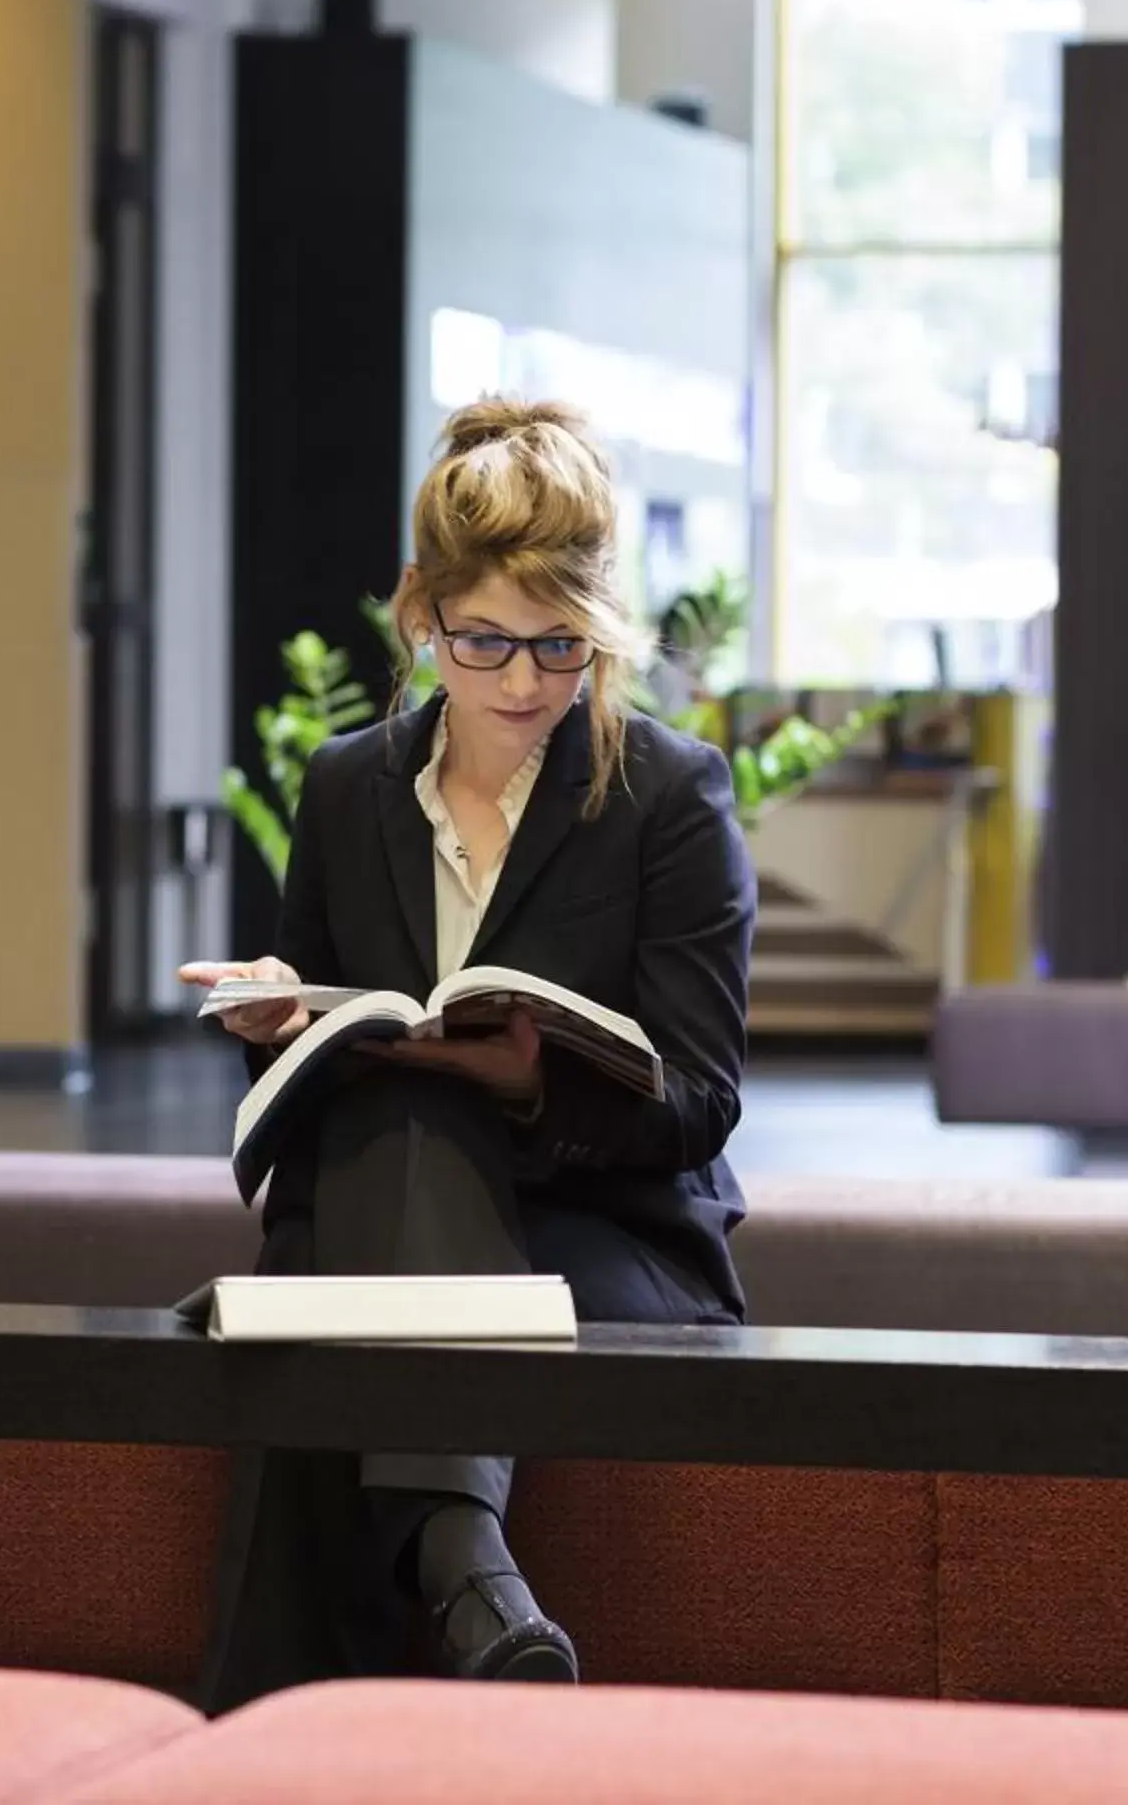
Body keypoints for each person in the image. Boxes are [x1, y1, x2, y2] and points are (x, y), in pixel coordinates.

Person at [176, 398, 754, 1708]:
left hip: (604, 1230)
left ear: (601, 629)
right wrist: (283, 1020)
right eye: (480, 639)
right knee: (390, 1136)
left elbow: (703, 1099)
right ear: (418, 612)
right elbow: (310, 1082)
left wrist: (538, 1086)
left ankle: (297, 1708)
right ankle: (471, 1577)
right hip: (393, 1195)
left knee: (338, 1300)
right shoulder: (346, 790)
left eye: (558, 647)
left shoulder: (670, 794)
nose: (517, 684)